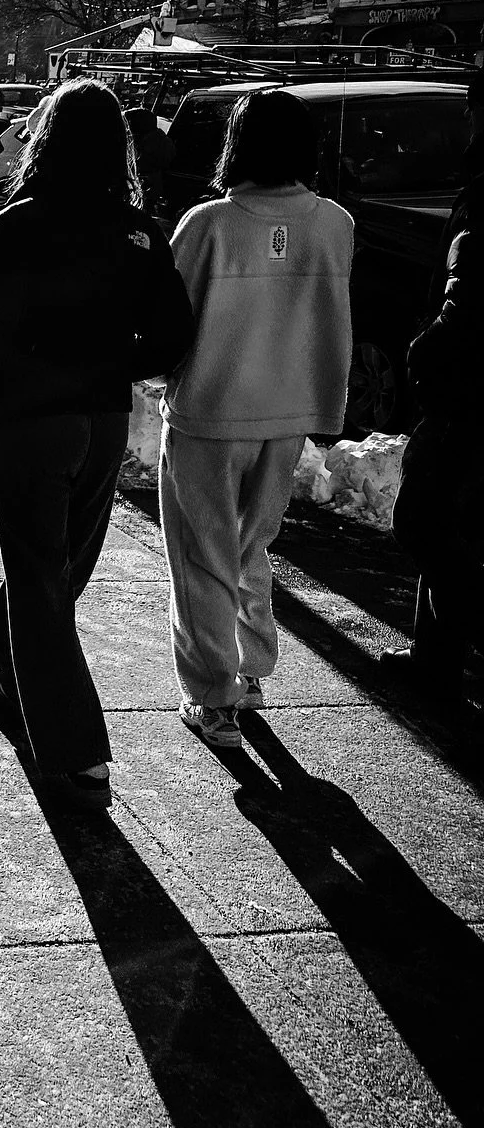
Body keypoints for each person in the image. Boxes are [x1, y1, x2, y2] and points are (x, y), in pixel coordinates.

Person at [0, 80, 195, 810]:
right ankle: (9, 671)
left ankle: (77, 752)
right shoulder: (139, 232)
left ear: (45, 141)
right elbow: (172, 338)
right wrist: (113, 363)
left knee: (39, 575)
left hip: (35, 422)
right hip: (101, 422)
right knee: (56, 569)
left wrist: (12, 373)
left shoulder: (18, 225)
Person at [162, 89, 354, 750]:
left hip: (211, 412)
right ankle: (249, 671)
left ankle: (214, 699)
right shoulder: (335, 224)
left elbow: (169, 325)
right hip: (289, 411)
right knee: (251, 547)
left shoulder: (207, 223)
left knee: (201, 557)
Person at [385, 69, 484, 700]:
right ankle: (437, 658)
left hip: (466, 396)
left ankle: (448, 654)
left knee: (430, 521)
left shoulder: (478, 201)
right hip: (462, 390)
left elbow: (465, 301)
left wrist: (428, 355)